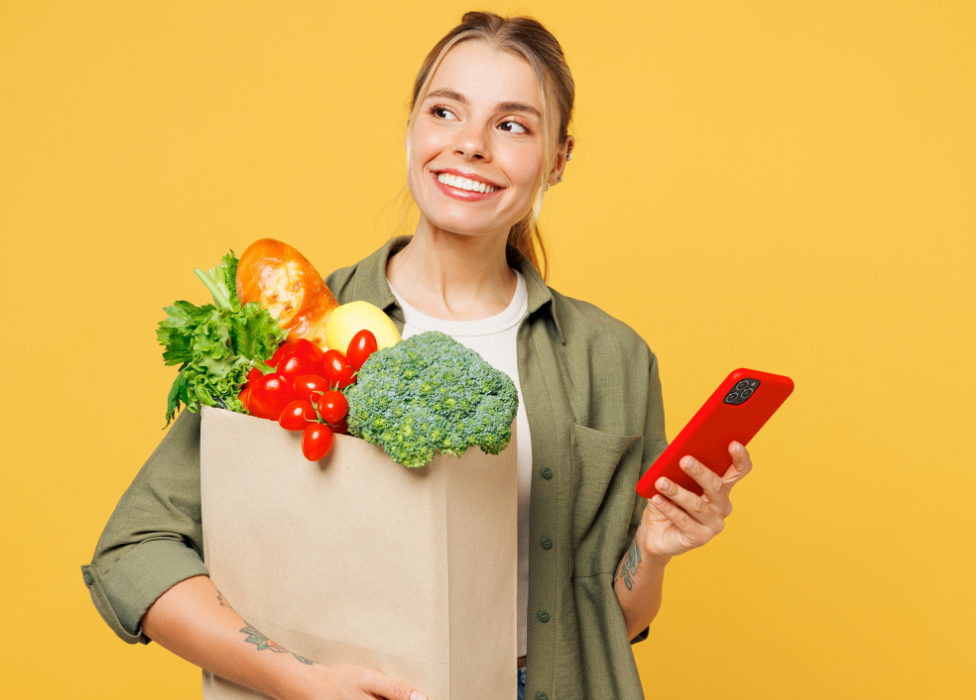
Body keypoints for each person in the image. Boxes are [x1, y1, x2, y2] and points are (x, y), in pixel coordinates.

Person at [81, 12, 755, 700]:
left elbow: (610, 619)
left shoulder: (612, 359)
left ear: (558, 158)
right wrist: (298, 680)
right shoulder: (293, 328)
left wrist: (656, 551)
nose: (471, 146)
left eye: (513, 125)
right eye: (445, 112)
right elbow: (134, 552)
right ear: (411, 127)